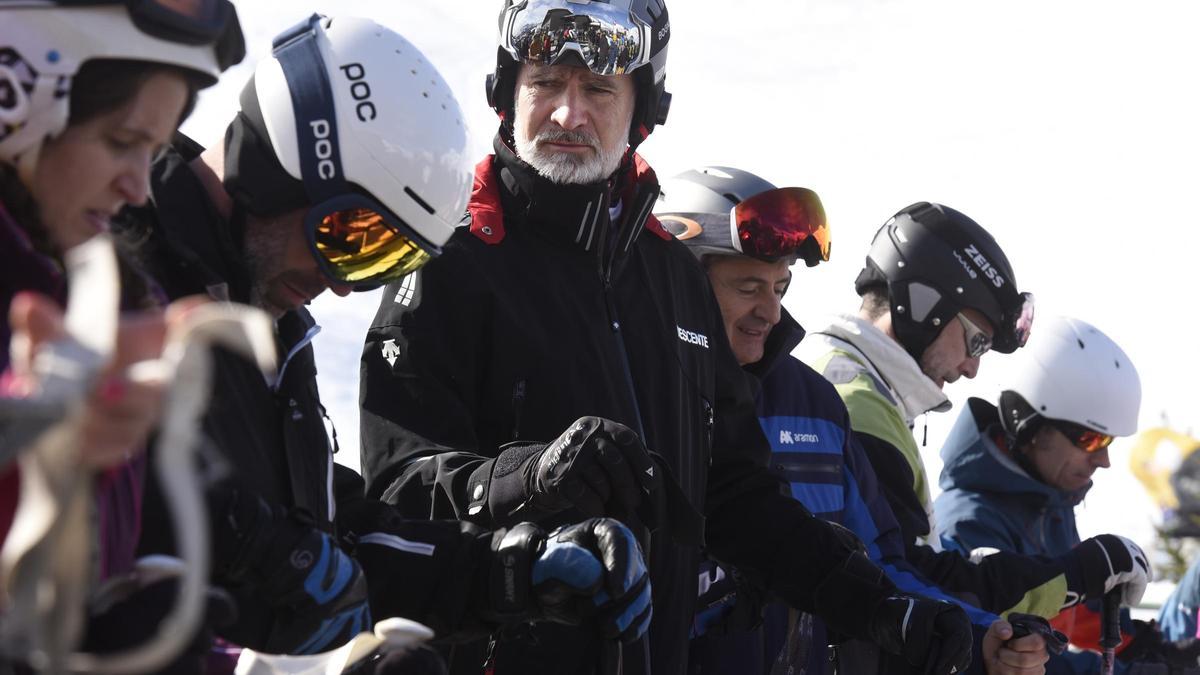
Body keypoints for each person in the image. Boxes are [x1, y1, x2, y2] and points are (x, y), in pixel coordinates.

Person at [360, 2, 977, 674]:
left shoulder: (670, 275)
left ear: (642, 109)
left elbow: (735, 494)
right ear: (508, 91)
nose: (569, 115)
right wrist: (527, 478)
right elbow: (395, 493)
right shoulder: (450, 258)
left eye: (597, 90)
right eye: (545, 83)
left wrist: (879, 605)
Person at [123, 14, 653, 665]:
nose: (343, 285)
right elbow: (96, 530)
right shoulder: (118, 257)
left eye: (380, 260)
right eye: (351, 237)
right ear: (278, 163)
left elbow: (331, 537)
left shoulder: (262, 322)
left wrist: (514, 568)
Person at [659, 166, 1049, 675]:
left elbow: (882, 564)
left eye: (780, 288)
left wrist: (977, 638)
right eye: (749, 287)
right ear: (678, 281)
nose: (771, 312)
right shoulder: (633, 392)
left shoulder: (814, 402)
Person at [0, 0, 243, 661]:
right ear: (16, 100)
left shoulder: (104, 314)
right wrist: (33, 434)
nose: (139, 187)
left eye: (155, 150)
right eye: (120, 140)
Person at [795, 204, 1150, 629]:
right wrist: (1075, 574)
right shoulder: (857, 405)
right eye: (977, 341)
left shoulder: (859, 390)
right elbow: (906, 585)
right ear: (925, 306)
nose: (972, 368)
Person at [935, 316, 1200, 674]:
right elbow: (1013, 652)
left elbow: (1075, 608)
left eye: (1108, 443)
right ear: (1029, 423)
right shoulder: (969, 525)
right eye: (1090, 440)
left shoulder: (1049, 504)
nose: (1104, 460)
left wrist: (1138, 645)